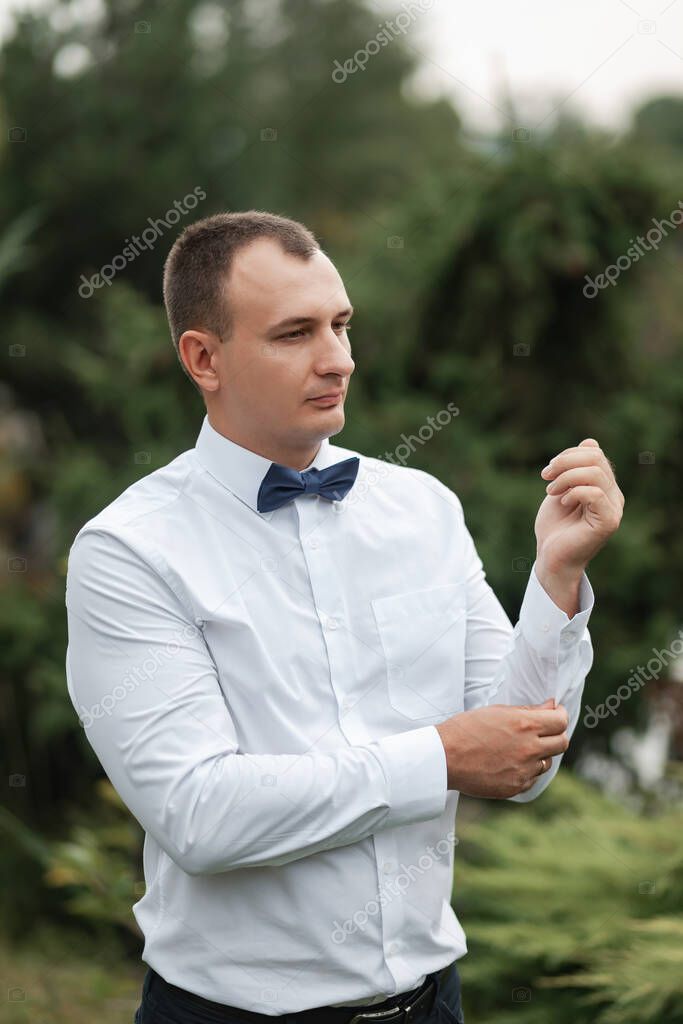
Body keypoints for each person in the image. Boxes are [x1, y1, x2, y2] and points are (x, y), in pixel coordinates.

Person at [64, 211, 624, 1024]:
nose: (338, 359)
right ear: (202, 358)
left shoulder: (422, 508)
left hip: (433, 1002)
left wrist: (556, 575)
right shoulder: (129, 550)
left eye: (341, 324)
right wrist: (436, 758)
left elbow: (522, 762)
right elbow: (199, 814)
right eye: (294, 333)